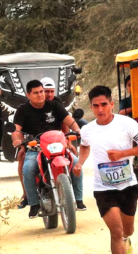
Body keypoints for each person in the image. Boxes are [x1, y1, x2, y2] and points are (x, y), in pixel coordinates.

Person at [78, 86, 138, 254]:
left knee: (127, 230)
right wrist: (79, 162)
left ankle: (127, 240)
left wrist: (122, 154)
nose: (100, 109)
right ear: (91, 107)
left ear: (112, 104)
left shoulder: (127, 123)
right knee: (116, 232)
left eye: (104, 104)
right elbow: (84, 146)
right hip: (103, 189)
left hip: (128, 186)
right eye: (96, 106)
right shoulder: (87, 130)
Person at [11, 80, 84, 217]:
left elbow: (69, 121)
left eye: (41, 91)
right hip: (36, 148)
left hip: (57, 146)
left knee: (75, 162)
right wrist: (17, 140)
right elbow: (16, 130)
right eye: (36, 93)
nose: (40, 95)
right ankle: (34, 204)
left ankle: (79, 199)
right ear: (28, 95)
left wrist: (78, 131)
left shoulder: (54, 105)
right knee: (28, 169)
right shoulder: (22, 110)